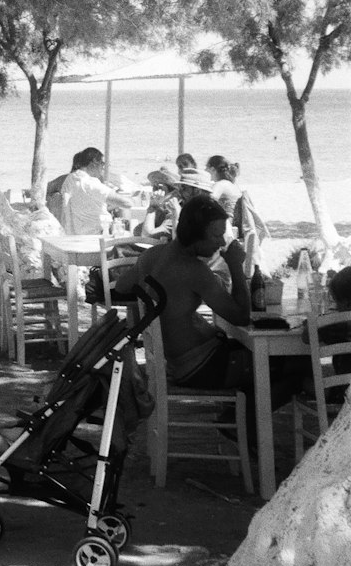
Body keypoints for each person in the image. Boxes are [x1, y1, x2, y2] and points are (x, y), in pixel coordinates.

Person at [113, 195, 309, 433]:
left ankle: (241, 420)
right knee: (300, 365)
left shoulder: (151, 255)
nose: (221, 242)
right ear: (194, 234)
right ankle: (238, 423)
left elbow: (123, 287)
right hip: (201, 367)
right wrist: (236, 267)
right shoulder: (195, 270)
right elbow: (239, 317)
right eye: (216, 236)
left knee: (263, 362)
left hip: (179, 362)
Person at [59, 147, 135, 235]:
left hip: (75, 233)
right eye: (102, 163)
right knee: (131, 226)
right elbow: (127, 203)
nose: (103, 167)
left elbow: (87, 207)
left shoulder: (70, 179)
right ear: (94, 163)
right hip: (97, 234)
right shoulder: (90, 184)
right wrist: (132, 199)